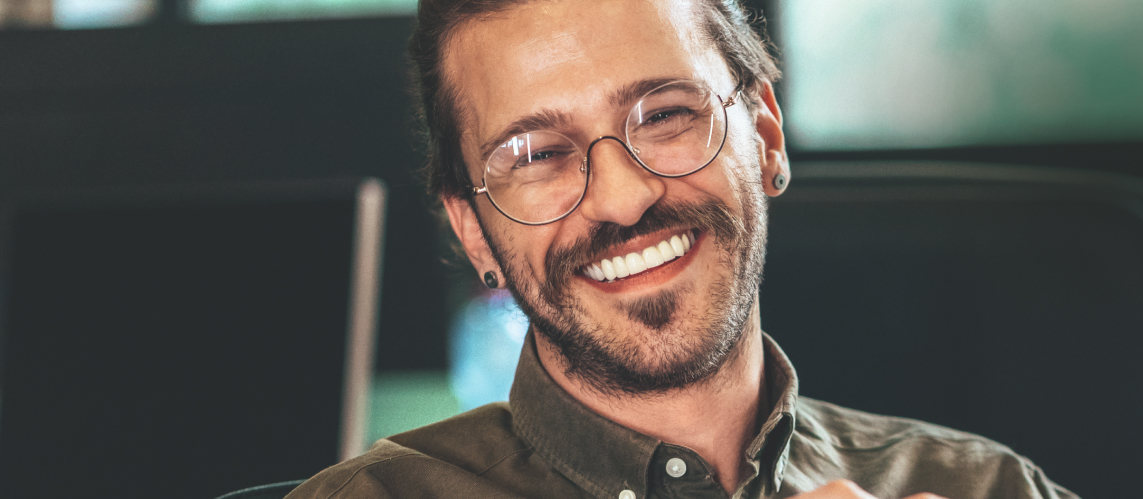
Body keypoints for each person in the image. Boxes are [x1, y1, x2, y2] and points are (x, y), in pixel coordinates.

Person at [286, 0, 1076, 497]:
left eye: (665, 114)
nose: (624, 195)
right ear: (471, 231)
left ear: (765, 134)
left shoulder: (988, 486)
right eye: (535, 155)